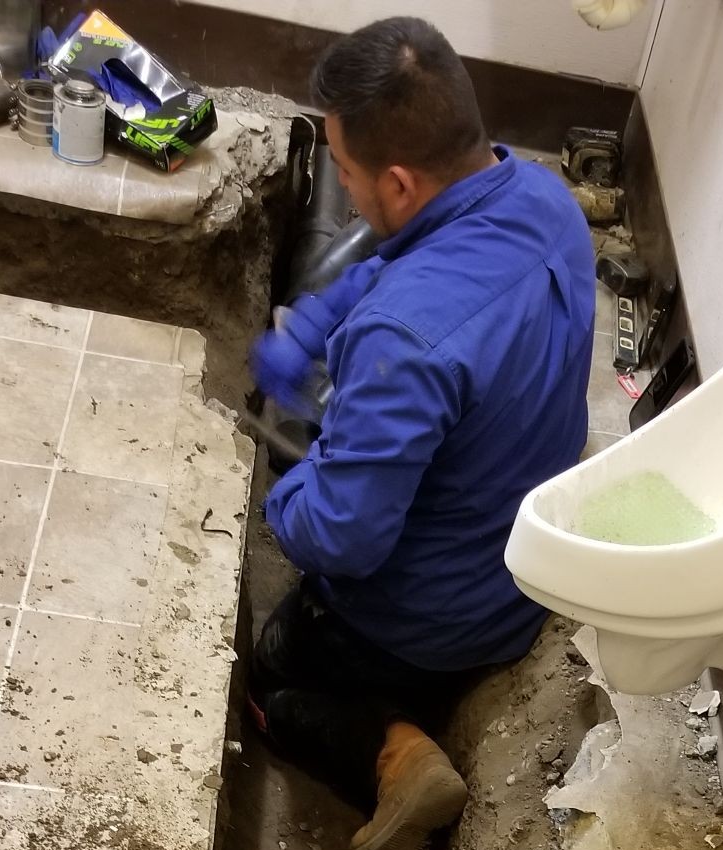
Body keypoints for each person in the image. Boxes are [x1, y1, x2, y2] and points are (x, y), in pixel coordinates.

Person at [247, 16, 595, 850]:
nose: (344, 183)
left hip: (423, 625)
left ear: (398, 184)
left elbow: (343, 538)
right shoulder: (541, 197)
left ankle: (394, 750)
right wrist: (321, 317)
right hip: (519, 572)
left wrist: (286, 491)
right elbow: (396, 259)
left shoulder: (403, 342)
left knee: (265, 684)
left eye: (344, 169)